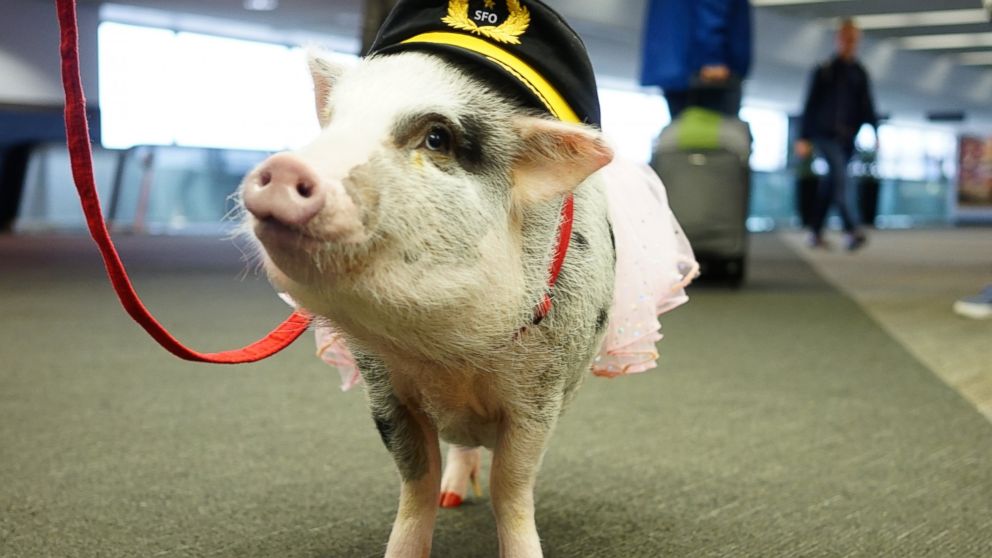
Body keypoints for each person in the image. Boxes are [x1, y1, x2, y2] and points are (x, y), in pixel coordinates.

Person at [795, 18, 879, 251]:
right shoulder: (824, 70)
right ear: (838, 39)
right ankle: (852, 230)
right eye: (845, 38)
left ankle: (814, 231)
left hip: (847, 138)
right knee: (841, 180)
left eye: (853, 39)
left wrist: (875, 132)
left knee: (831, 184)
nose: (848, 43)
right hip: (824, 136)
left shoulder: (860, 73)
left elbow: (867, 106)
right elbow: (809, 105)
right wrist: (802, 137)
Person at [639, 0, 752, 119]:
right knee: (718, 133)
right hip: (708, 71)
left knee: (682, 130)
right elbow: (711, 7)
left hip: (673, 62)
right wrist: (713, 59)